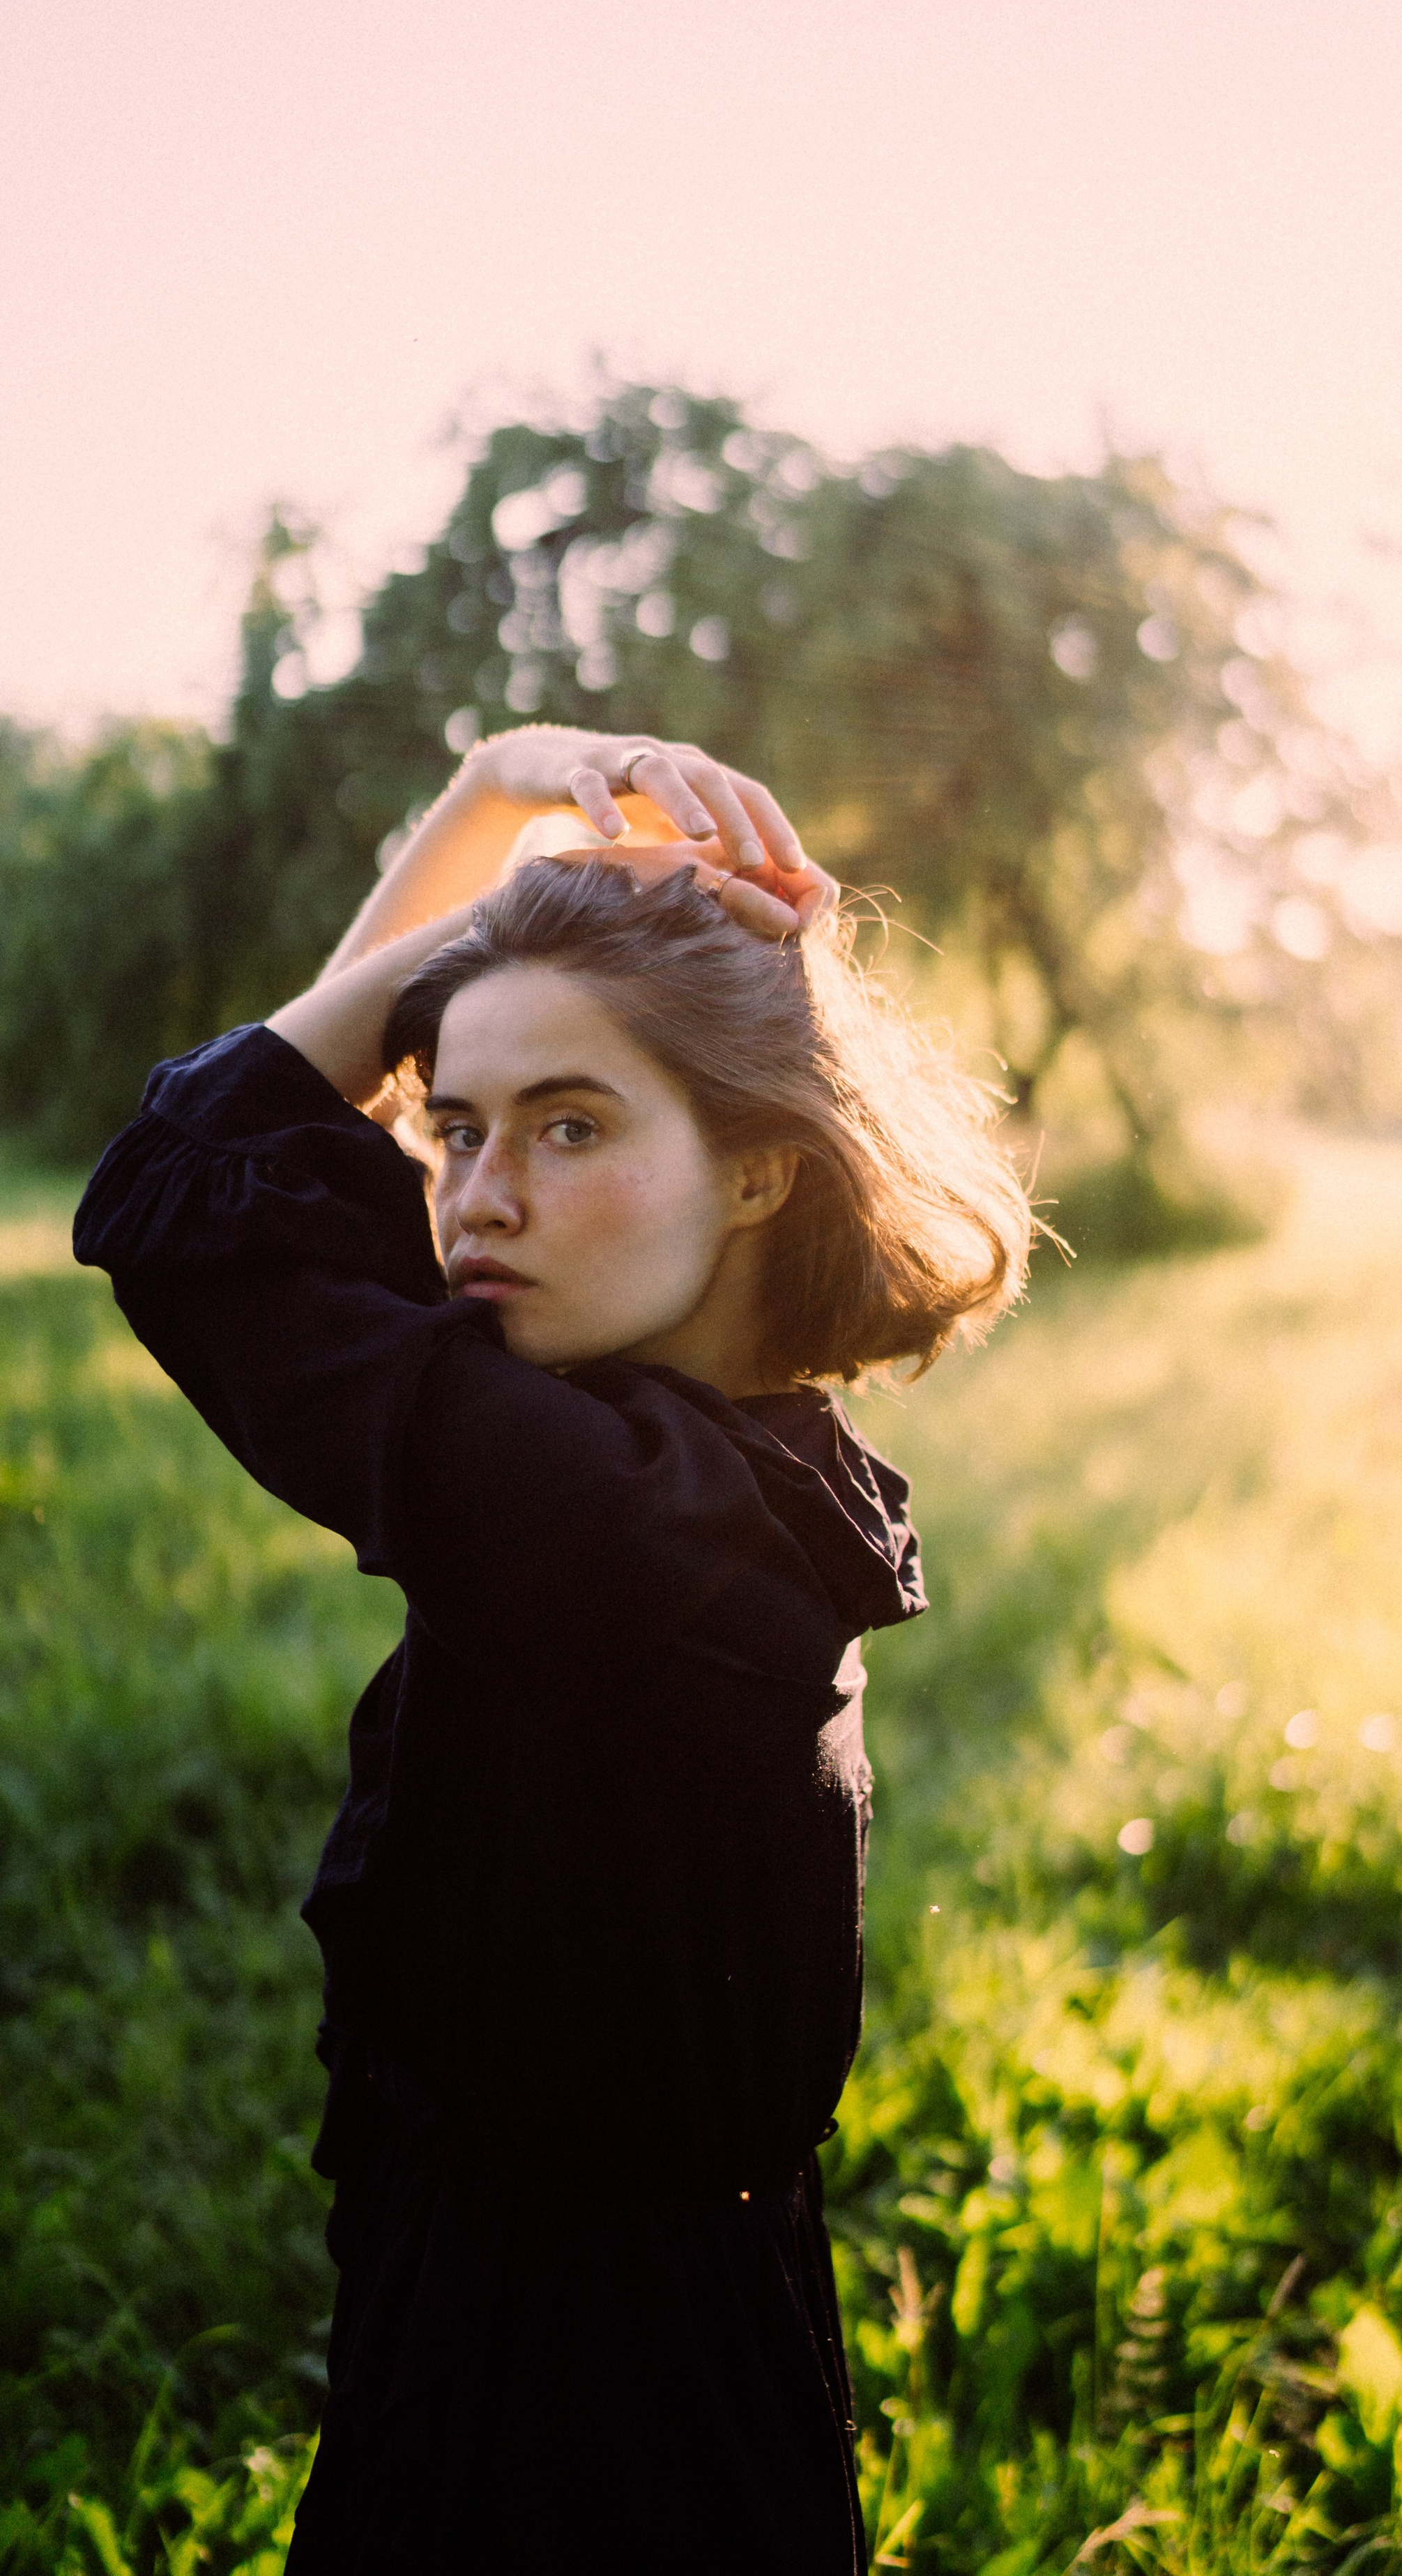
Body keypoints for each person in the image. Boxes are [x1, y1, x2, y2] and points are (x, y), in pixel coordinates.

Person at [73, 727, 1033, 2573]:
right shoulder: (707, 1465)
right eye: (458, 1128)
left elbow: (184, 1187)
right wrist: (491, 813)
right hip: (620, 2334)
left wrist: (515, 872)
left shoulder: (603, 1529)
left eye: (570, 1126)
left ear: (757, 1172)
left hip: (565, 2416)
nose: (477, 1197)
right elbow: (287, 1157)